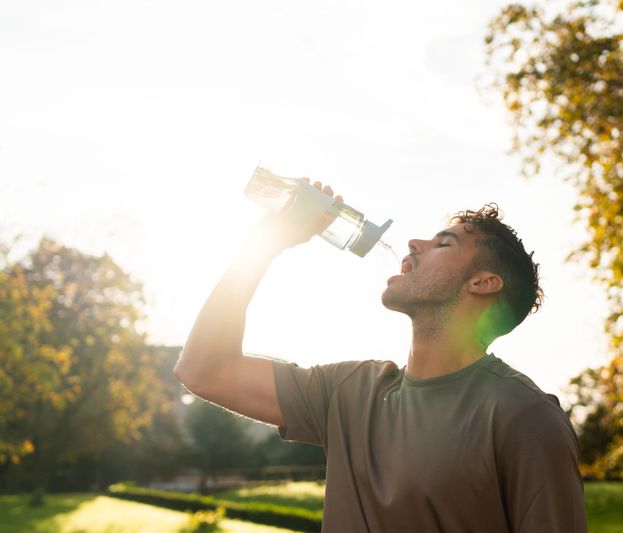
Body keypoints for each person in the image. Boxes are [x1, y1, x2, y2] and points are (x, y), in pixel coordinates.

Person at [174, 181, 588, 532]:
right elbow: (204, 370)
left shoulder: (524, 417)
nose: (413, 243)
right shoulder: (348, 392)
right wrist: (265, 244)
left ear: (482, 283)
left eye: (444, 242)